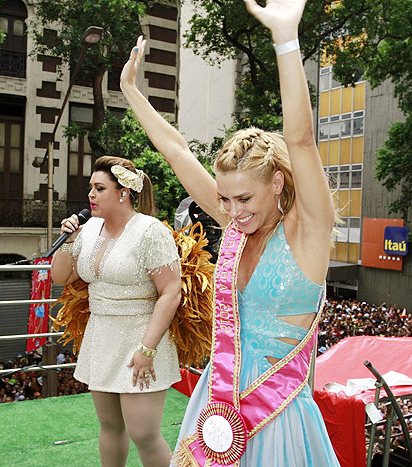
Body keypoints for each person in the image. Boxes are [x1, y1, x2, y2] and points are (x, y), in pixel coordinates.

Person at [120, 0, 340, 464]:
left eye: (244, 199)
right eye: (224, 199)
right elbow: (179, 154)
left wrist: (285, 38)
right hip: (215, 408)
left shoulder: (309, 232)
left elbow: (300, 139)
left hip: (277, 420)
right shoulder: (236, 227)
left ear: (277, 182)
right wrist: (133, 93)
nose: (231, 212)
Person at [51, 155, 182, 467]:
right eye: (90, 188)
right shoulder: (89, 229)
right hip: (101, 336)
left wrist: (146, 349)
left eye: (99, 188)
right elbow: (61, 277)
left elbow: (170, 291)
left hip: (141, 338)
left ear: (123, 192)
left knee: (144, 434)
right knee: (109, 427)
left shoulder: (150, 231)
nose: (91, 195)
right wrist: (69, 239)